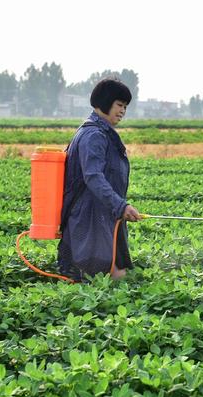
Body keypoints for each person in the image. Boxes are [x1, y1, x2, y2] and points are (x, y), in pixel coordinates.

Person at [57, 78, 142, 282]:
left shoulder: (100, 132)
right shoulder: (93, 135)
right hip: (90, 217)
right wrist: (120, 206)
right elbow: (93, 177)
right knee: (101, 277)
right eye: (119, 105)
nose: (122, 111)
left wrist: (118, 207)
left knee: (115, 274)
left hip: (101, 215)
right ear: (104, 103)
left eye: (125, 107)